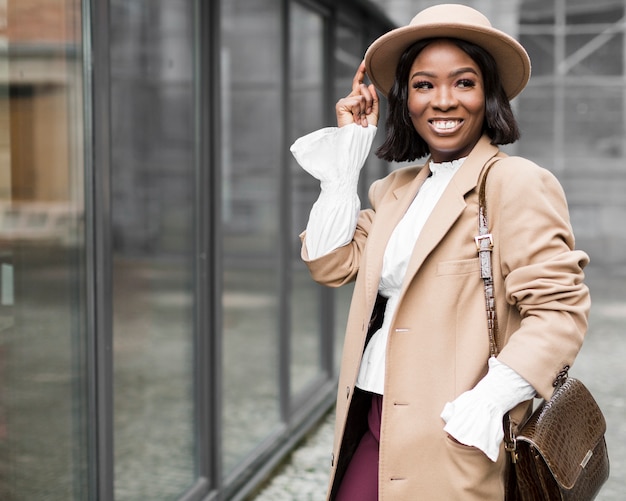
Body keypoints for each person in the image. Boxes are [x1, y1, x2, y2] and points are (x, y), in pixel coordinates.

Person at [290, 4, 590, 501]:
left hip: (455, 432)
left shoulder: (516, 183)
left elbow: (558, 311)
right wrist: (347, 155)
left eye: (464, 83)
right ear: (404, 98)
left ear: (488, 93)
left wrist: (487, 403)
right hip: (372, 415)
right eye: (424, 84)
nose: (443, 101)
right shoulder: (396, 190)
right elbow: (330, 264)